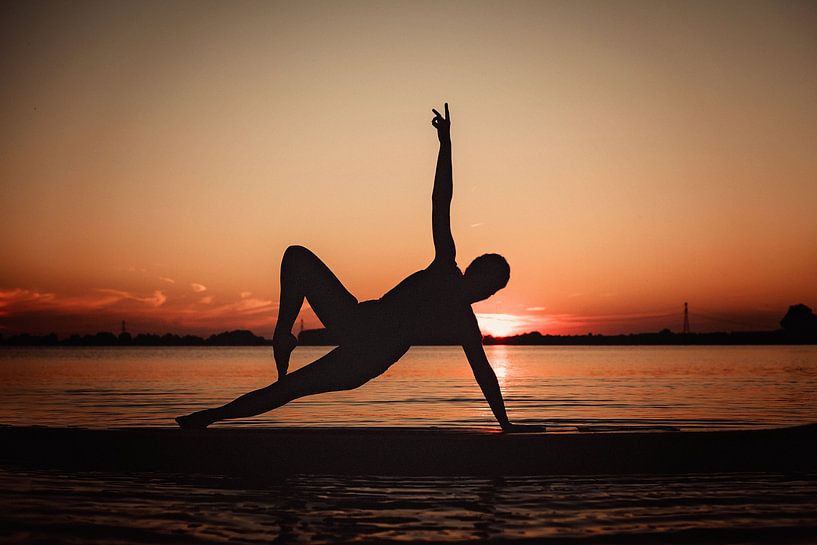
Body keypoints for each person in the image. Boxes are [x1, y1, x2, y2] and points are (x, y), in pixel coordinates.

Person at [176, 104, 537, 432]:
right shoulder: (445, 265)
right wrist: (446, 143)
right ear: (472, 271)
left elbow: (484, 375)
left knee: (288, 388)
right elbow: (440, 200)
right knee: (296, 256)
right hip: (356, 319)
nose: (483, 291)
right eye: (485, 281)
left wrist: (506, 424)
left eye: (491, 290)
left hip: (366, 358)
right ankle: (283, 334)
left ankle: (203, 420)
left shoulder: (463, 323)